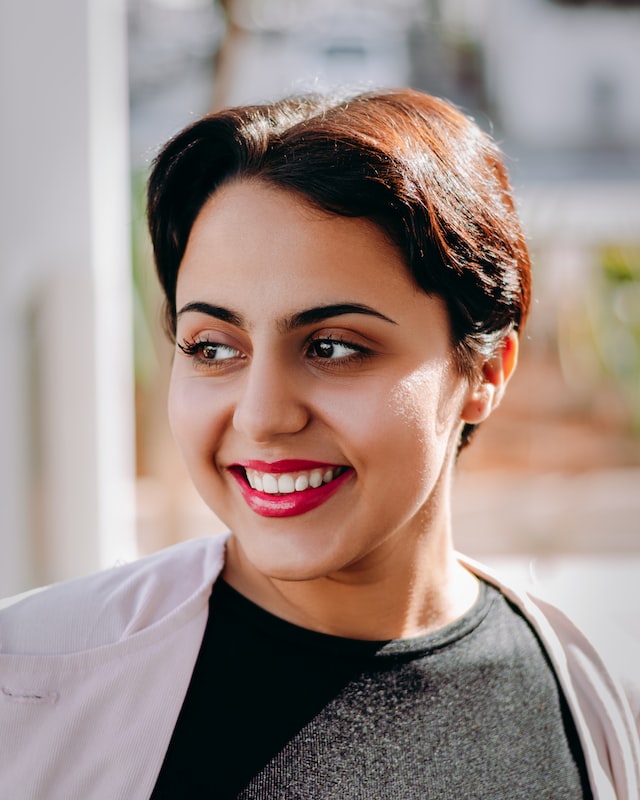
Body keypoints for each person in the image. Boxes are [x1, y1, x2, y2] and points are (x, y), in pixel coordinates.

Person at [0, 88, 638, 799]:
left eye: (332, 346)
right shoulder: (27, 685)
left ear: (485, 370)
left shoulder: (592, 703)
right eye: (213, 347)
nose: (263, 415)